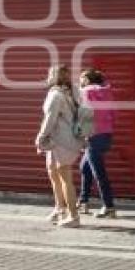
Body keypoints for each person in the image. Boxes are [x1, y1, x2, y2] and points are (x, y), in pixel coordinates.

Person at [35, 65, 84, 228]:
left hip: (61, 141)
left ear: (53, 76)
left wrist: (40, 137)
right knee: (53, 173)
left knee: (64, 178)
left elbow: (50, 118)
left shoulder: (56, 95)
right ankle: (60, 209)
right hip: (66, 140)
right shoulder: (73, 92)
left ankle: (73, 216)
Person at [77, 68, 117, 219]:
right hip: (106, 134)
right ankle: (83, 201)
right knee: (84, 167)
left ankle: (109, 206)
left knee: (98, 172)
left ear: (87, 79)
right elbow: (113, 114)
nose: (80, 81)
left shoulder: (85, 92)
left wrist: (82, 134)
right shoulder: (107, 93)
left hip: (93, 135)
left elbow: (82, 115)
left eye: (81, 78)